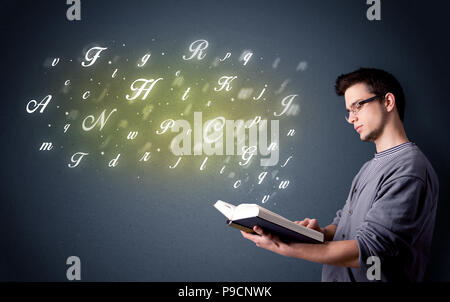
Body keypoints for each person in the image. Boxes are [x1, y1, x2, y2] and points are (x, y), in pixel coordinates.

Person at [241, 67, 439, 282]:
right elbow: (345, 227)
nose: (352, 118)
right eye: (349, 111)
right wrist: (317, 234)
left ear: (388, 102)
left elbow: (369, 249)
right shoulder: (370, 167)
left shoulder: (408, 169)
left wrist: (284, 246)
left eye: (358, 106)